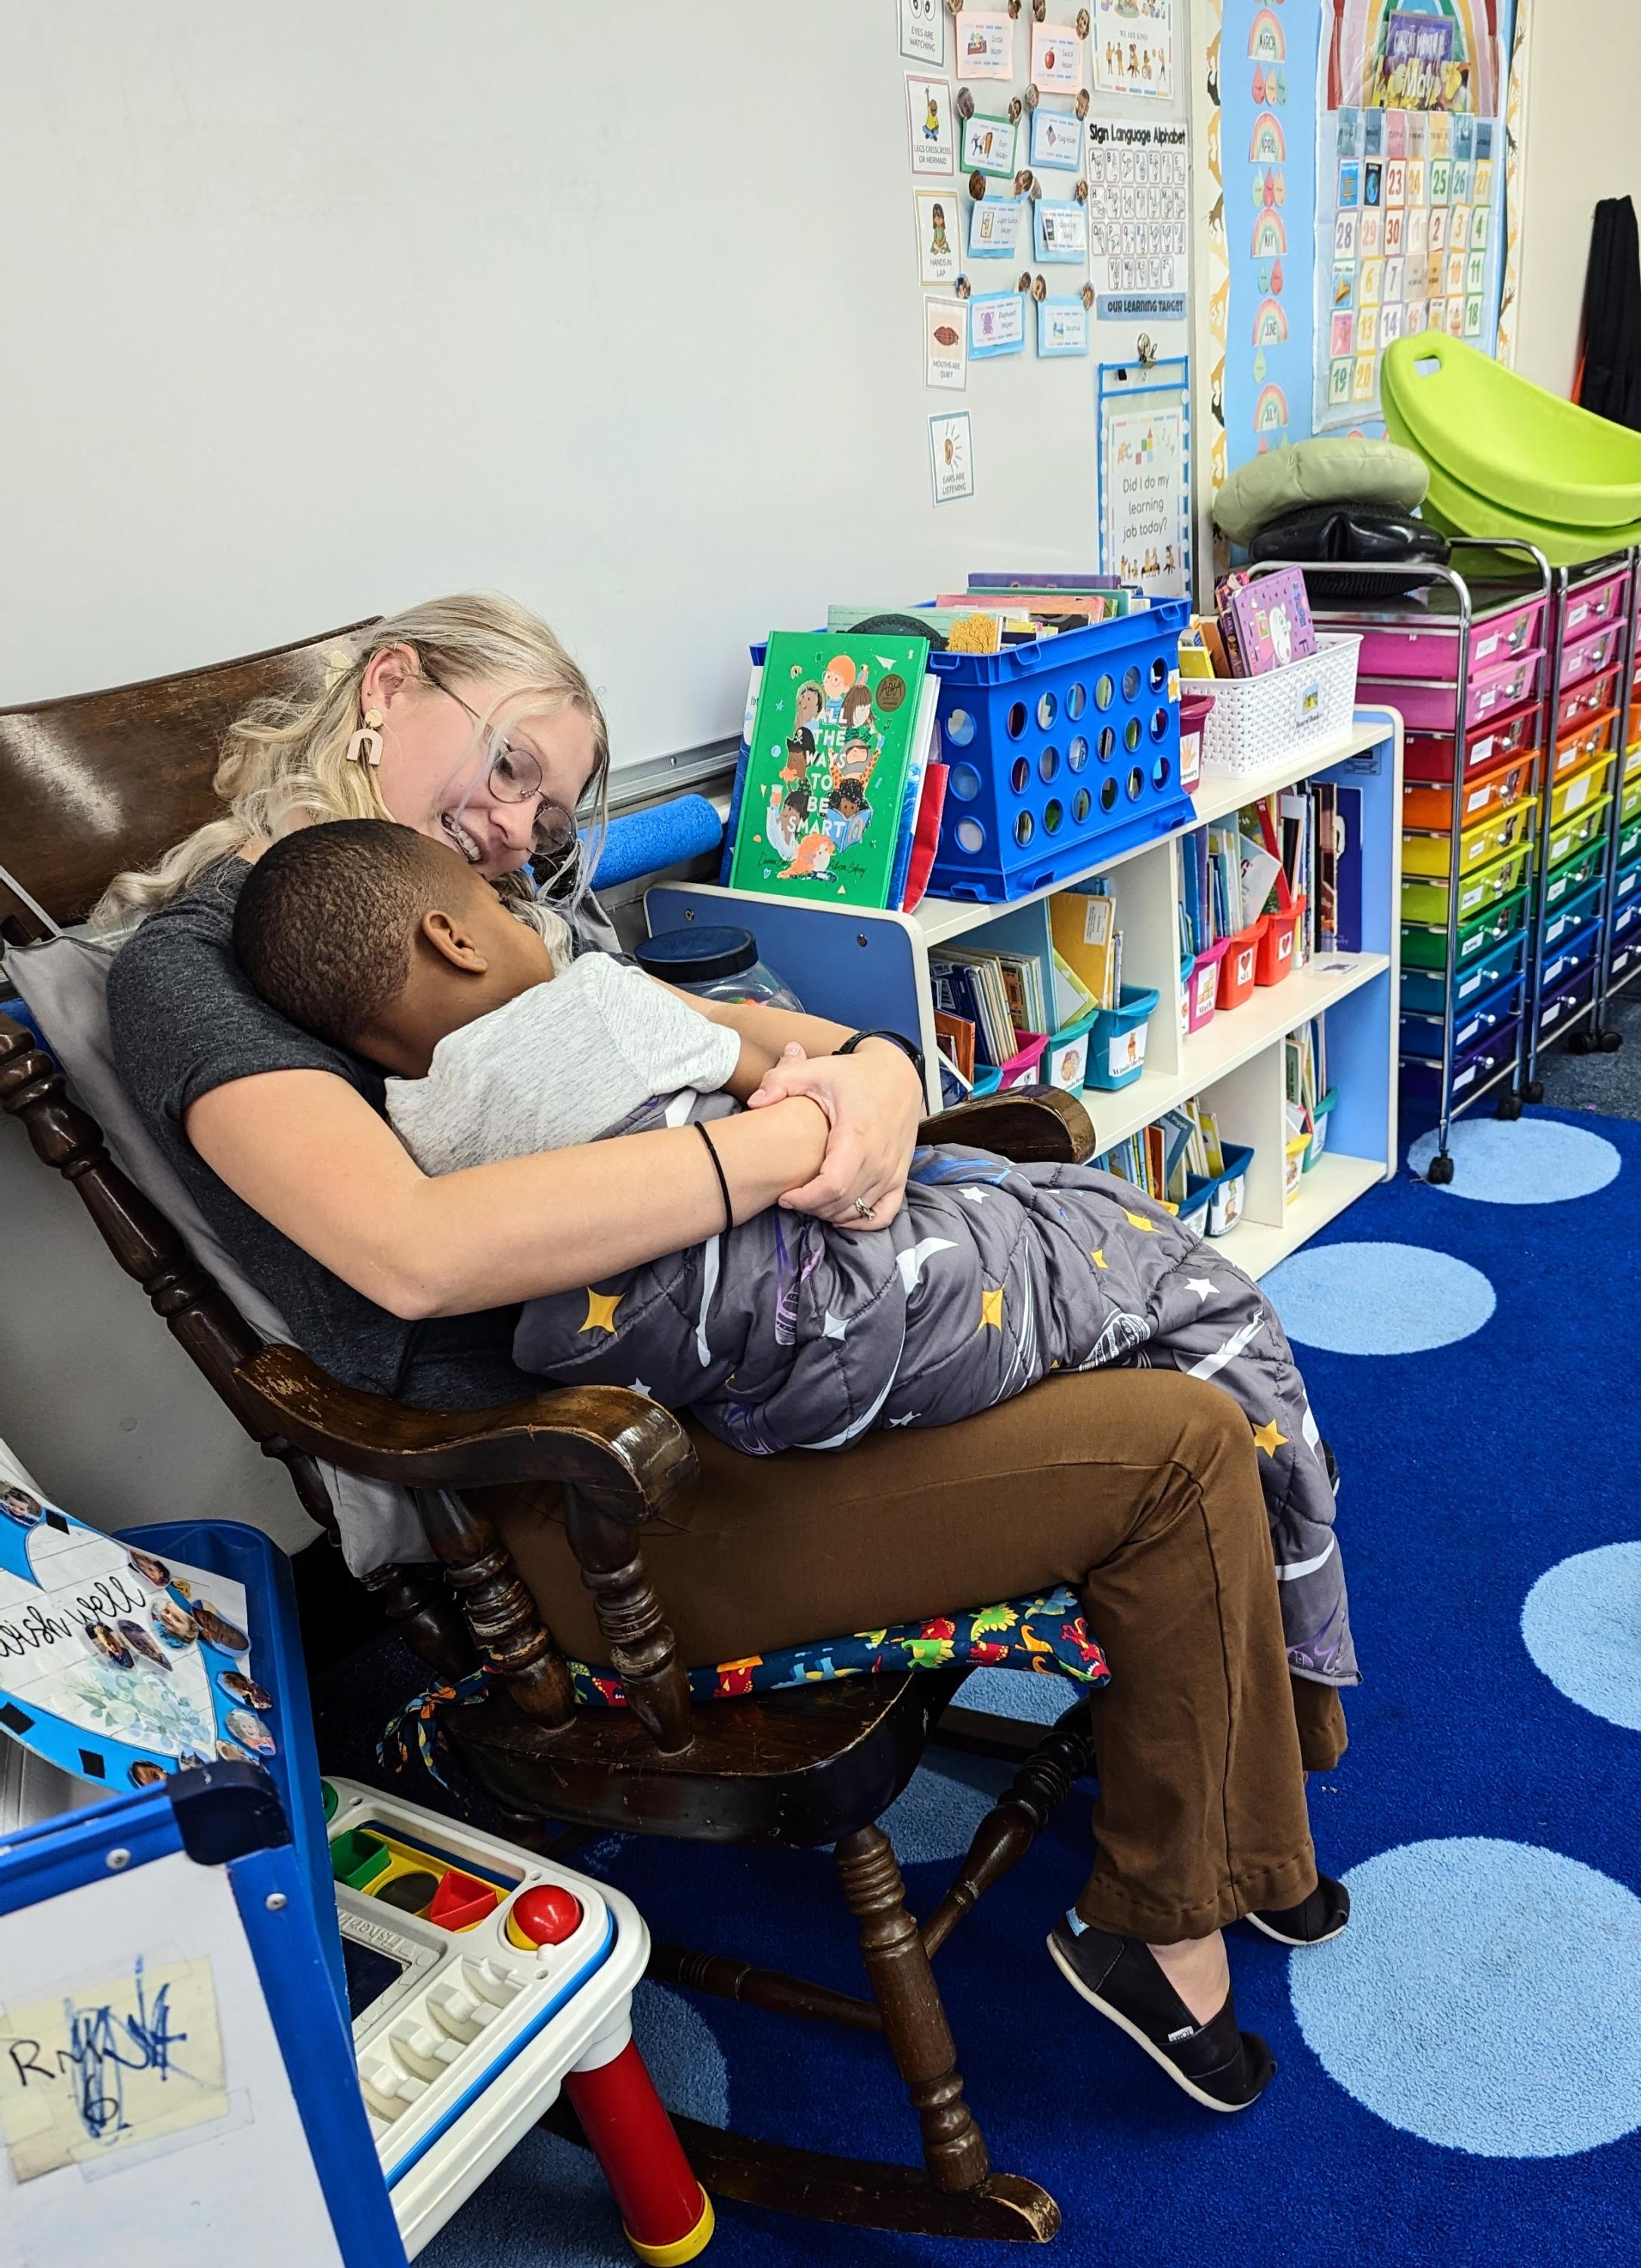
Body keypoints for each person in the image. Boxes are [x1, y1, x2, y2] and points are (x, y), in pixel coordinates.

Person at [103, 593, 1350, 2115]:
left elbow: (751, 1036)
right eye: (505, 770)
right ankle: (1172, 1925)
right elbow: (413, 1250)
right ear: (384, 686)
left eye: (543, 814)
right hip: (586, 1493)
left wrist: (875, 1086)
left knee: (1149, 1331)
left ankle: (1234, 1830)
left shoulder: (507, 929)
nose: (508, 830)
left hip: (726, 1388)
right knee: (1174, 1445)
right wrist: (781, 1154)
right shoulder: (199, 972)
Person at [231, 821, 1355, 1695]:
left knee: (1050, 1240)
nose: (539, 917)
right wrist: (839, 1096)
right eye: (501, 904)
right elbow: (788, 1068)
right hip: (873, 1322)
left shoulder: (412, 1130)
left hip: (750, 1413)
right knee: (1162, 1261)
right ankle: (1304, 1590)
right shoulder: (597, 1003)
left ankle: (1242, 1592)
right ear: (455, 937)